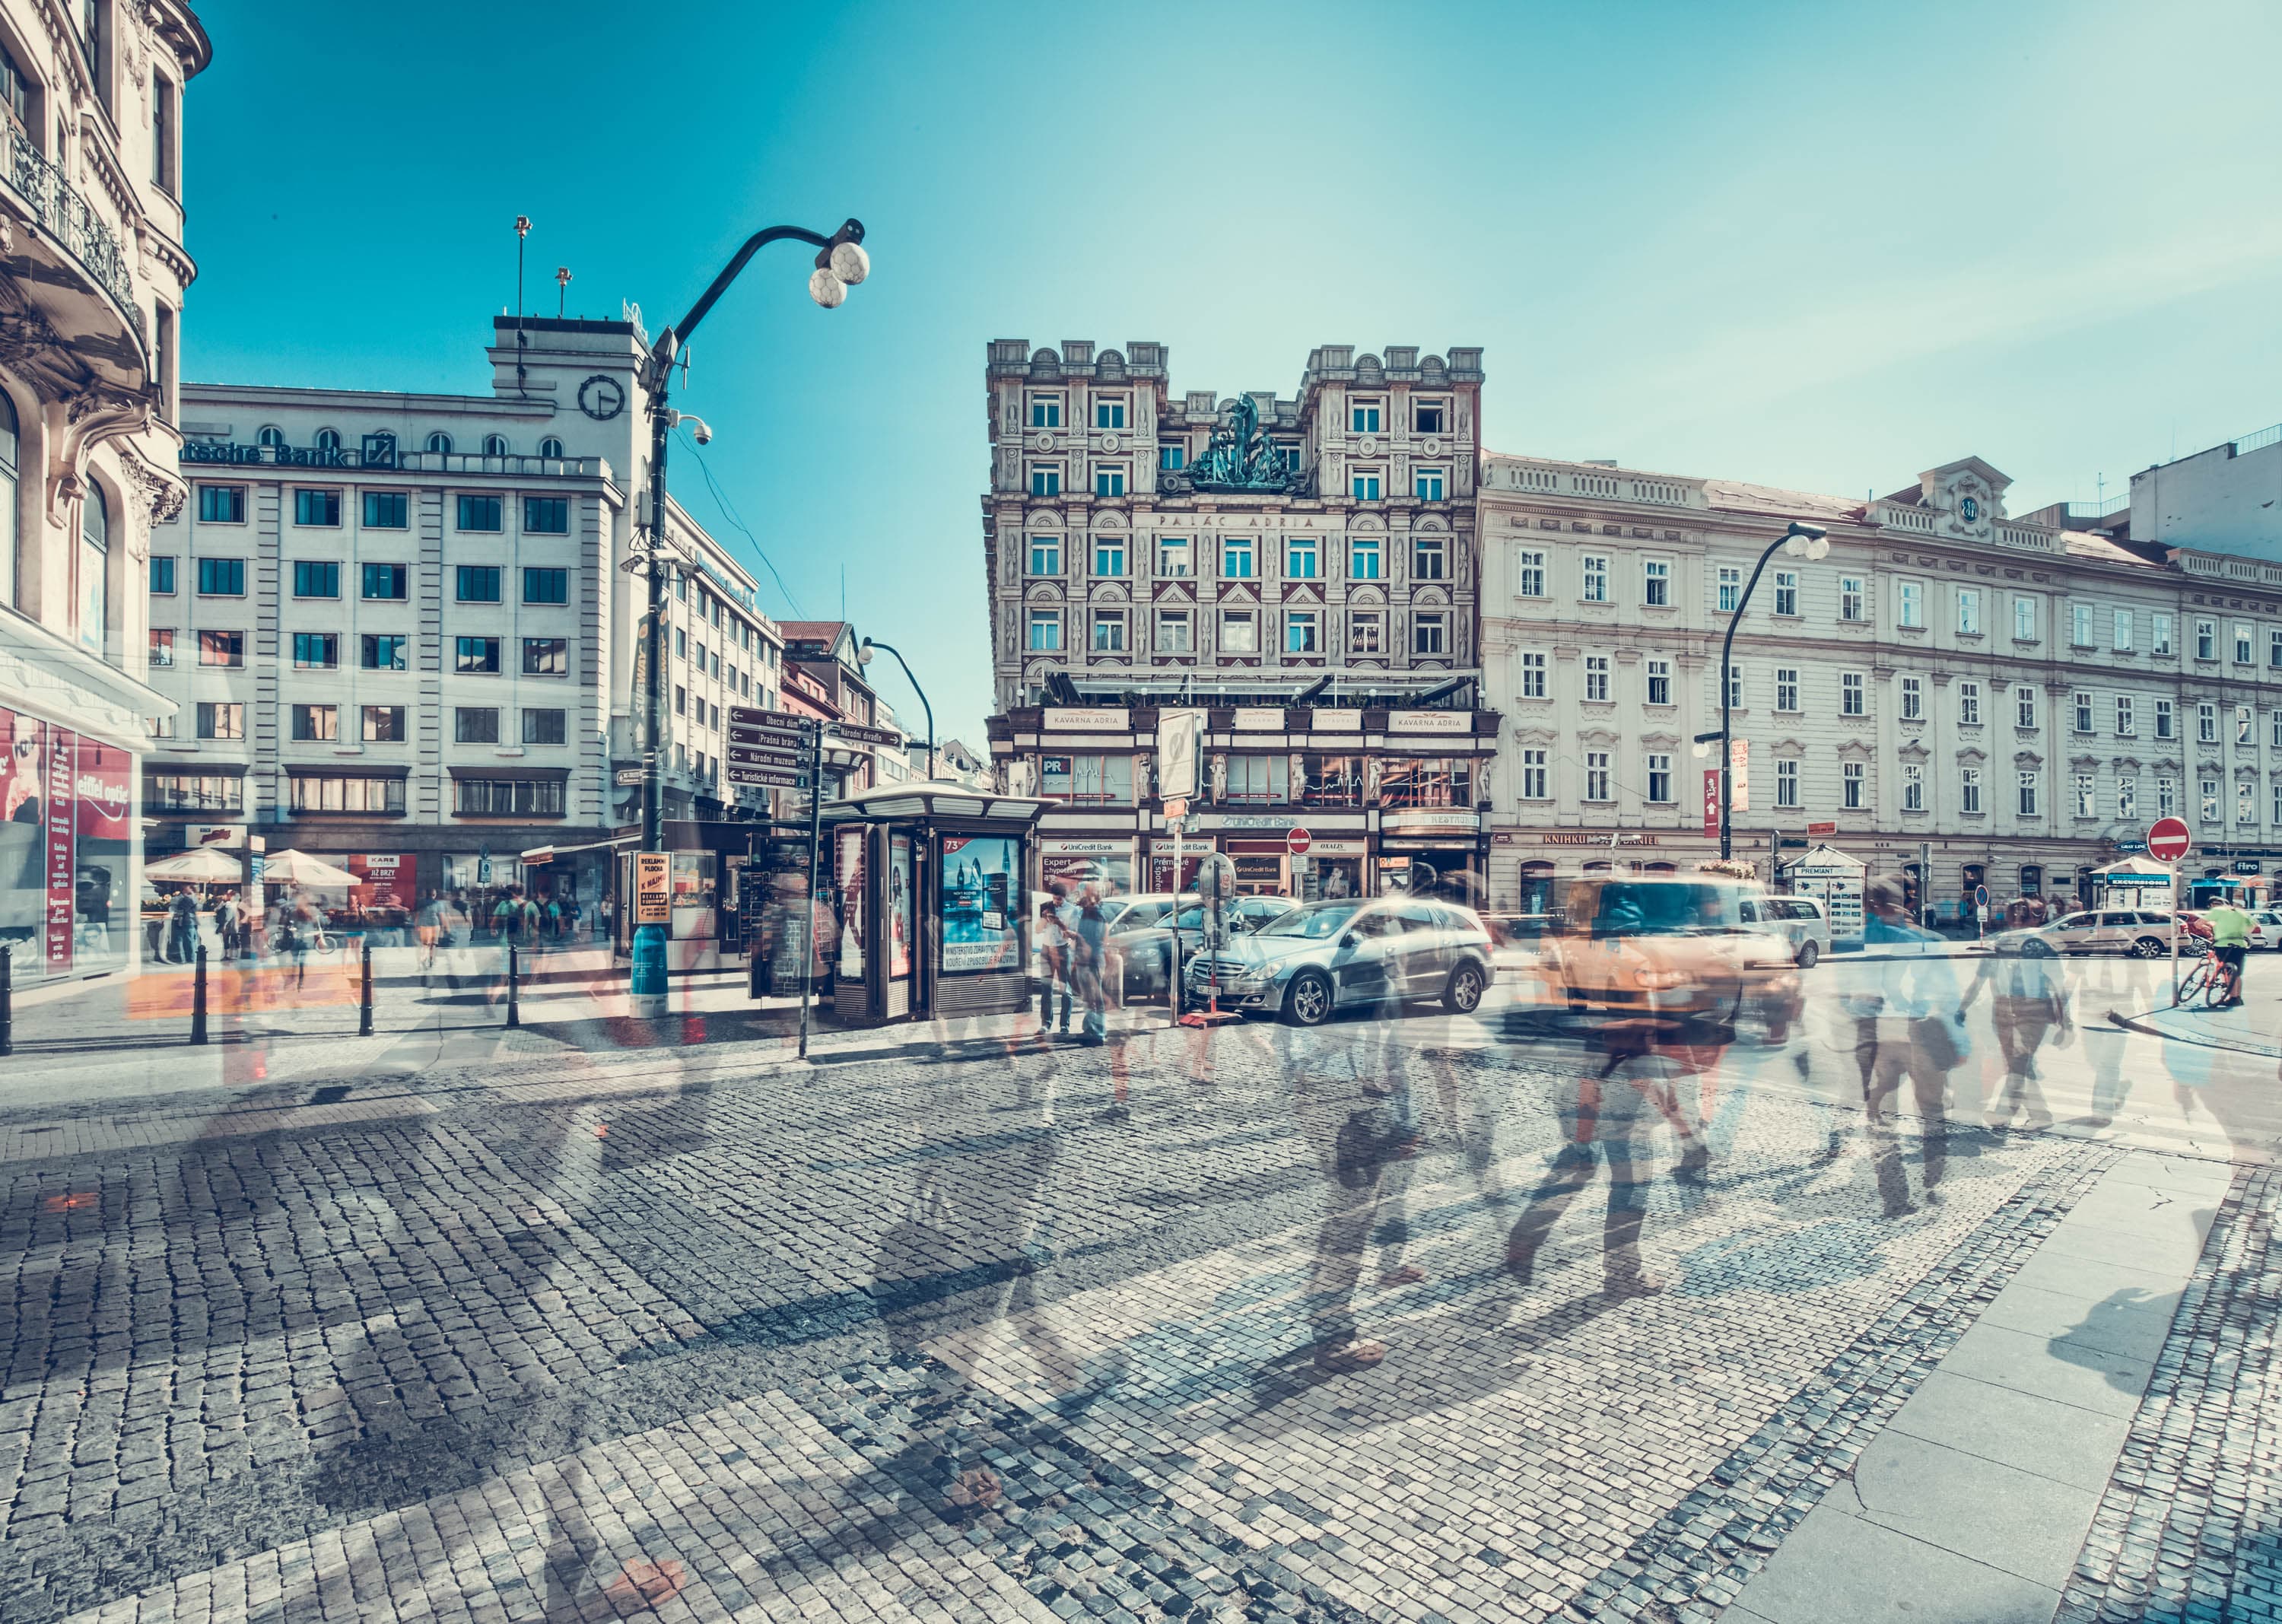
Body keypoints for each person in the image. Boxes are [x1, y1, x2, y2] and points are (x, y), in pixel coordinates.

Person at [1960, 938, 2071, 1131]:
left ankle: (2004, 1114)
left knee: (2019, 1062)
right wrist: (1961, 1009)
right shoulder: (1992, 955)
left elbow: (2059, 990)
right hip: (2002, 1011)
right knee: (2020, 1064)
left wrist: (2065, 1023)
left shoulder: (2038, 950)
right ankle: (2041, 1115)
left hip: (2032, 1010)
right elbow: (1977, 985)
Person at [1073, 881, 1109, 1046]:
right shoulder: (1084, 912)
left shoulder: (1097, 913)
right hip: (1083, 959)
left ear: (1091, 895)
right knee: (1087, 997)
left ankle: (1099, 1032)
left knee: (1096, 996)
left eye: (1083, 893)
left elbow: (1097, 939)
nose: (1080, 895)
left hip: (1093, 960)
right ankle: (1089, 1028)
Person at [2204, 896, 2252, 1007]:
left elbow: (2198, 923)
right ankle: (2238, 997)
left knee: (2228, 971)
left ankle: (2232, 998)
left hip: (2222, 944)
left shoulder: (2217, 911)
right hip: (2240, 944)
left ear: (2212, 905)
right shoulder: (2240, 912)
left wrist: (2209, 930)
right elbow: (2252, 927)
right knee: (2237, 972)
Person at [166, 888, 199, 966]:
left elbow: (172, 910)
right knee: (191, 940)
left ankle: (182, 959)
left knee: (180, 940)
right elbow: (196, 909)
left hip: (181, 921)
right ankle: (191, 958)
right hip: (191, 921)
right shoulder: (193, 899)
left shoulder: (180, 899)